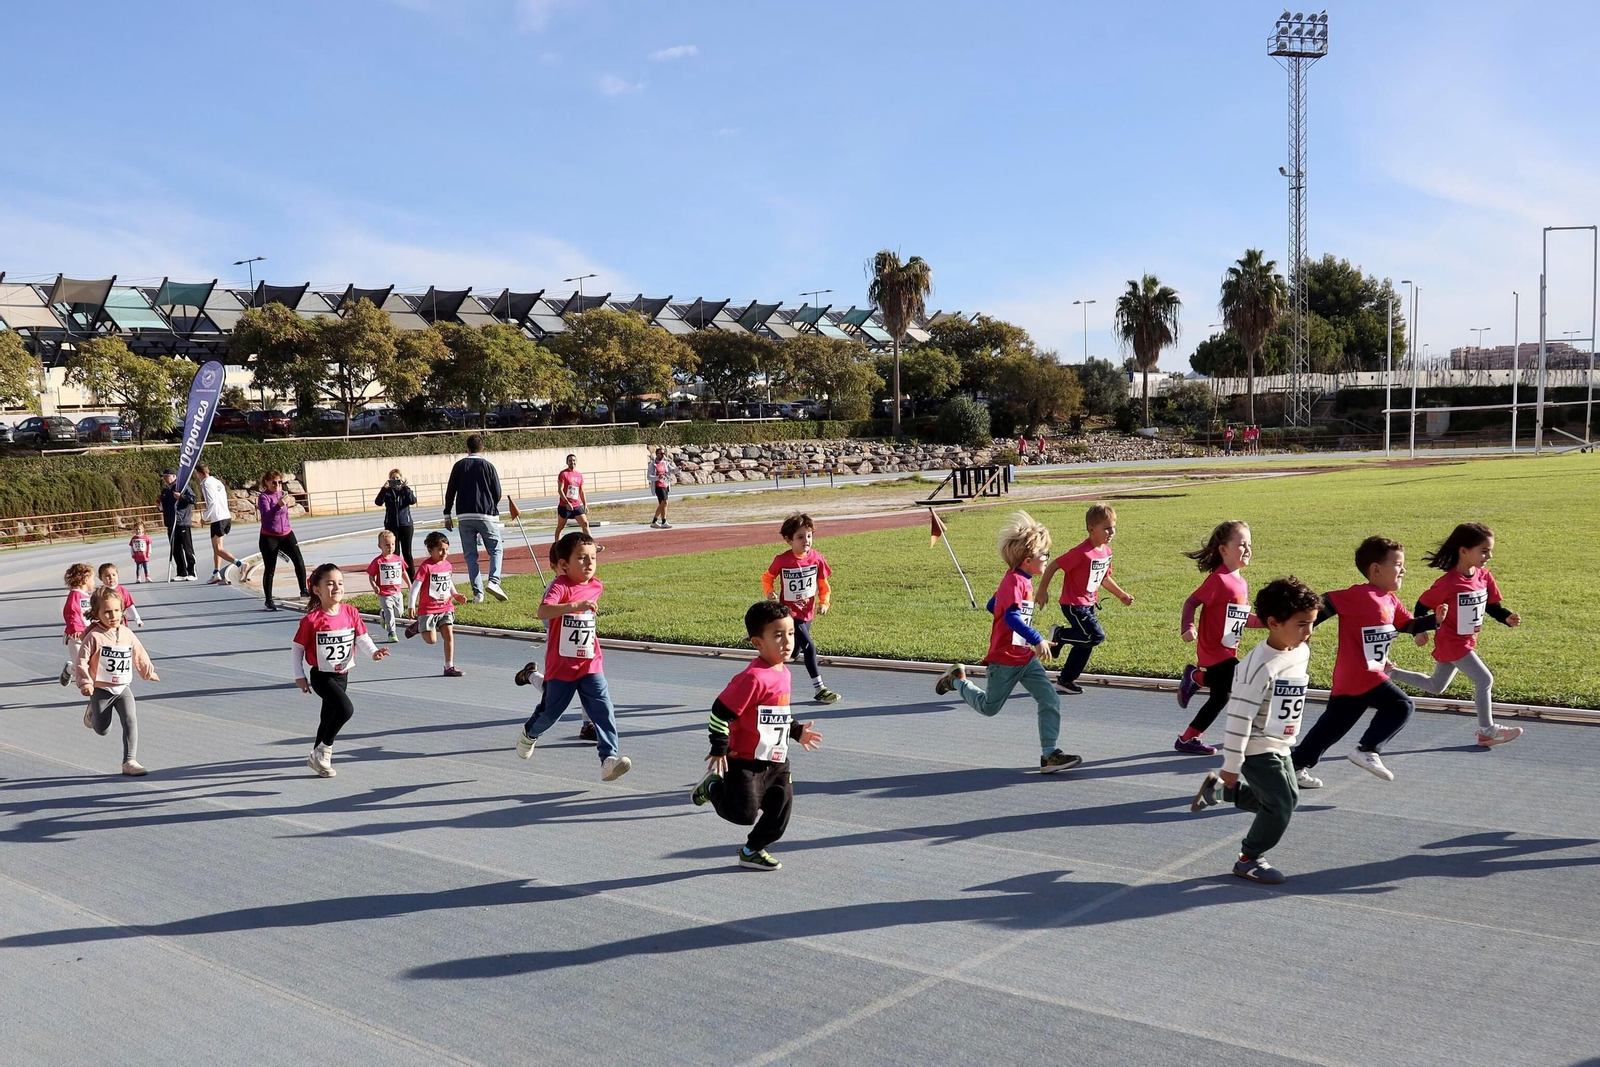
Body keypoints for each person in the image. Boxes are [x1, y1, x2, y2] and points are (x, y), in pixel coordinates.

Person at [1189, 576, 1319, 885]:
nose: (1309, 632)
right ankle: (1248, 859)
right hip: (1257, 747)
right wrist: (1232, 765)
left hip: (1281, 742)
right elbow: (1238, 719)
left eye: (1312, 623)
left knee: (1287, 800)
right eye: (1302, 624)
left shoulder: (1299, 650)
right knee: (1281, 807)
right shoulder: (1257, 668)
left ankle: (1223, 791)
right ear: (1273, 623)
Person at [932, 510, 1082, 773]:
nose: (1048, 558)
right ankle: (956, 680)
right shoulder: (1015, 581)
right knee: (988, 708)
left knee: (1049, 699)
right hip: (1004, 661)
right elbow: (1011, 616)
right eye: (1045, 554)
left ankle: (1049, 755)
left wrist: (1015, 628)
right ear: (1028, 560)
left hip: (1025, 659)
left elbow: (993, 605)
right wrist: (1036, 638)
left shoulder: (1021, 579)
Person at [1290, 536, 1442, 788]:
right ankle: (1368, 749)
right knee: (1401, 706)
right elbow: (1324, 603)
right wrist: (1305, 629)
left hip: (1353, 678)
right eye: (1398, 564)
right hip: (1362, 674)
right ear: (1376, 569)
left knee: (1331, 728)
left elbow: (1407, 625)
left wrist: (1435, 620)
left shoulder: (1390, 600)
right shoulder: (1359, 595)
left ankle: (1293, 766)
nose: (1403, 570)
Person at [690, 600, 824, 871]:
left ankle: (752, 850)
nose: (787, 641)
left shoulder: (784, 672)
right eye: (778, 635)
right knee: (744, 814)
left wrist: (797, 731)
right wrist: (719, 748)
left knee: (780, 811)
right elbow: (719, 713)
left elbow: (778, 713)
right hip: (744, 760)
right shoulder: (752, 678)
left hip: (776, 759)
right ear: (757, 643)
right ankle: (713, 788)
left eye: (790, 633)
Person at [515, 531, 634, 782]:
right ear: (564, 564)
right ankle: (530, 734)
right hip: (562, 665)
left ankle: (608, 759)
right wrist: (574, 606)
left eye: (593, 558)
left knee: (603, 709)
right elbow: (542, 612)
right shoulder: (560, 585)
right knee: (551, 713)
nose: (589, 563)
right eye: (581, 558)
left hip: (590, 661)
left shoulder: (596, 585)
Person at [1403, 522, 1525, 748]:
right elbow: (1421, 606)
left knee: (1436, 686)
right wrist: (1418, 630)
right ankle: (1487, 731)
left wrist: (1506, 617)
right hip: (1452, 642)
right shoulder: (1448, 584)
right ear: (1464, 551)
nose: (1489, 556)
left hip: (1467, 640)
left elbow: (1492, 606)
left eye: (1490, 550)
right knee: (1484, 679)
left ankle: (1388, 671)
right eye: (1484, 551)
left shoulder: (1484, 576)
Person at [1174, 520, 1263, 755]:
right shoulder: (1219, 579)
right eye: (1241, 545)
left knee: (1220, 697)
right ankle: (1197, 677)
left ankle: (1187, 739)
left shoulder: (1241, 582)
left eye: (1250, 544)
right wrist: (1188, 626)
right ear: (1224, 549)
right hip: (1213, 649)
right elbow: (1191, 602)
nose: (1248, 549)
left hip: (1228, 648)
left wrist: (1270, 623)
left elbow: (1242, 617)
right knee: (1245, 680)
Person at [292, 563, 390, 777]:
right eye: (330, 584)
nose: (336, 587)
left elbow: (362, 637)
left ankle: (317, 759)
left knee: (327, 718)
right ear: (317, 590)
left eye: (340, 583)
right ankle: (325, 750)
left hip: (342, 675)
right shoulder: (311, 620)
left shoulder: (350, 612)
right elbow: (297, 647)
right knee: (345, 710)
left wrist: (374, 652)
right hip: (321, 676)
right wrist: (299, 675)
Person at [1035, 502, 1134, 696]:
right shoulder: (1081, 552)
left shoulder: (1106, 551)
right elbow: (1054, 565)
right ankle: (1059, 635)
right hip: (1073, 604)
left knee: (1086, 643)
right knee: (1096, 636)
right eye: (1107, 528)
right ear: (1091, 529)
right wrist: (1042, 590)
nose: (1112, 532)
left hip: (1089, 604)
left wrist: (1121, 594)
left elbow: (1104, 578)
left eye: (1113, 527)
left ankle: (1065, 680)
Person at [75, 587, 159, 777]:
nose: (113, 616)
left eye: (116, 610)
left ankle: (129, 761)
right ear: (96, 614)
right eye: (107, 612)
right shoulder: (94, 637)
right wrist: (85, 683)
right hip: (101, 690)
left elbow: (139, 653)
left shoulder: (127, 633)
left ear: (122, 610)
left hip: (123, 688)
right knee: (102, 730)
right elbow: (81, 661)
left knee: (130, 720)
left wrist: (148, 672)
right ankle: (92, 712)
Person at [762, 513, 841, 704]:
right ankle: (820, 689)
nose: (806, 540)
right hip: (789, 614)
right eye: (800, 537)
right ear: (788, 540)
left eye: (809, 536)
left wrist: (824, 602)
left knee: (793, 653)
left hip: (807, 613)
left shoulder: (817, 558)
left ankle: (762, 642)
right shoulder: (782, 560)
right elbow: (767, 577)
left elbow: (823, 584)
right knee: (809, 646)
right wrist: (770, 591)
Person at [443, 435, 507, 603]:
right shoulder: (488, 466)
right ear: (482, 448)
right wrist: (492, 505)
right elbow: (497, 491)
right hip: (486, 514)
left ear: (467, 448)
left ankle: (478, 593)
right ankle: (494, 581)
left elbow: (450, 491)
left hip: (464, 515)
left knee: (471, 555)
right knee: (496, 549)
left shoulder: (459, 466)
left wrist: (447, 514)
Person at [405, 530, 469, 676]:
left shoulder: (447, 565)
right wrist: (411, 605)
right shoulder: (425, 567)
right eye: (440, 549)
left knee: (449, 636)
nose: (444, 553)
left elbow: (448, 582)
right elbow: (415, 587)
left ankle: (449, 666)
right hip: (428, 609)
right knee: (431, 640)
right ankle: (419, 626)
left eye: (446, 549)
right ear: (430, 550)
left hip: (446, 607)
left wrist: (455, 594)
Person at [257, 470, 308, 612]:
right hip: (269, 536)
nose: (277, 485)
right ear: (267, 483)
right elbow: (266, 517)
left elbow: (284, 515)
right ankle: (268, 600)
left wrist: (283, 506)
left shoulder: (282, 494)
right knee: (270, 569)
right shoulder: (264, 497)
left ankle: (303, 589)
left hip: (286, 533)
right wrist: (278, 505)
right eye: (274, 482)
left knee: (299, 560)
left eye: (280, 482)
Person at [197, 463, 243, 585]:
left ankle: (240, 564)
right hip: (225, 516)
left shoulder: (206, 483)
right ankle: (216, 572)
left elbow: (212, 503)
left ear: (199, 473)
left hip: (217, 518)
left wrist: (204, 517)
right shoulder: (217, 482)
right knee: (217, 548)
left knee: (218, 549)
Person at [365, 530, 409, 642]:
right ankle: (391, 632)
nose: (390, 547)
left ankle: (383, 615)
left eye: (393, 544)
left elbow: (403, 572)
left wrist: (410, 584)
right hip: (384, 593)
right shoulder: (378, 561)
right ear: (380, 546)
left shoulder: (398, 559)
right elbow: (371, 575)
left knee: (399, 613)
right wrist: (374, 586)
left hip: (397, 592)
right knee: (389, 611)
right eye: (387, 545)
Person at [375, 468, 418, 579]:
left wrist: (406, 488)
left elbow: (413, 500)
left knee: (407, 553)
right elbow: (378, 502)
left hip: (406, 525)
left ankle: (412, 579)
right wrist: (383, 489)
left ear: (401, 479)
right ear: (389, 480)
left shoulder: (405, 490)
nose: (395, 480)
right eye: (393, 478)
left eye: (397, 478)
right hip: (391, 525)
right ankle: (395, 578)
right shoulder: (387, 491)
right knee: (394, 553)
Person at [159, 469, 197, 581]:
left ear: (174, 476)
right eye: (164, 477)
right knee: (175, 549)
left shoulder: (182, 487)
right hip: (171, 523)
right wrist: (160, 506)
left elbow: (193, 499)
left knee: (187, 548)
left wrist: (180, 496)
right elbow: (164, 506)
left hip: (182, 522)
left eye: (167, 476)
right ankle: (181, 573)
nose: (165, 479)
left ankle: (192, 572)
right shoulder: (165, 490)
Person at [60, 563, 95, 687]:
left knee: (88, 665)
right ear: (85, 579)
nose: (94, 582)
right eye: (92, 579)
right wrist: (75, 628)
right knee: (79, 665)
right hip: (76, 637)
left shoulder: (88, 597)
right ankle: (68, 670)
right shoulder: (75, 595)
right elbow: (71, 612)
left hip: (88, 635)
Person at [554, 453, 591, 541]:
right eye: (570, 461)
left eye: (574, 460)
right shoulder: (563, 474)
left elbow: (581, 491)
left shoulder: (579, 475)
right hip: (565, 506)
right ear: (567, 462)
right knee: (560, 527)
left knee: (585, 524)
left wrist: (585, 505)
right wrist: (567, 502)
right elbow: (560, 490)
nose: (572, 462)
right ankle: (557, 545)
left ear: (576, 462)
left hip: (576, 505)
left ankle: (591, 544)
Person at [96, 563, 144, 629]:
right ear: (100, 578)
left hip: (120, 622)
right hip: (105, 622)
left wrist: (137, 619)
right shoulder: (99, 593)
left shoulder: (123, 591)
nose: (111, 577)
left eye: (114, 575)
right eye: (107, 575)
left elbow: (129, 606)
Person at [647, 448, 677, 528]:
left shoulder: (665, 463)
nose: (663, 455)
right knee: (665, 502)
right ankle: (664, 521)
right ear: (657, 454)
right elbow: (649, 476)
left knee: (662, 504)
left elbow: (672, 470)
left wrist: (679, 468)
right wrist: (657, 477)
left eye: (663, 453)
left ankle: (654, 521)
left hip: (665, 485)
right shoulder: (652, 465)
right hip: (658, 486)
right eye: (661, 454)